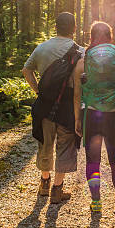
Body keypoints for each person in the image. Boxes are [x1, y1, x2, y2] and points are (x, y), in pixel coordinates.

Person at [22, 12, 84, 204]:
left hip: (45, 104)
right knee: (65, 145)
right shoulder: (81, 51)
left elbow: (26, 70)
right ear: (74, 28)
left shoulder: (41, 48)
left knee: (45, 143)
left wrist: (37, 90)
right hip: (68, 106)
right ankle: (57, 190)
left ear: (55, 27)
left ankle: (44, 183)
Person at [72, 21, 115, 220]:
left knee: (93, 160)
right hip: (114, 115)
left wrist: (77, 119)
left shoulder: (83, 61)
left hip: (92, 115)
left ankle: (96, 202)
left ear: (91, 38)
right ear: (110, 37)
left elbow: (77, 95)